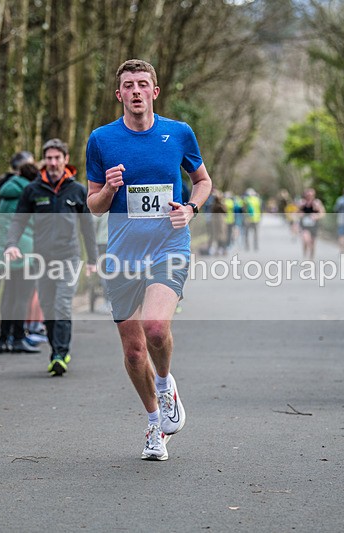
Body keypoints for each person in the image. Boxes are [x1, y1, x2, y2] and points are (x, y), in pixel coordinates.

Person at [85, 59, 212, 461]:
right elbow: (93, 206)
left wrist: (190, 209)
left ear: (154, 92)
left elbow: (204, 181)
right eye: (128, 85)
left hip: (168, 246)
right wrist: (108, 188)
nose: (136, 91)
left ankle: (164, 383)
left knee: (156, 329)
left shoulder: (178, 133)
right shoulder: (101, 140)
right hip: (122, 254)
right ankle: (155, 424)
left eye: (143, 84)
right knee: (133, 350)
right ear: (119, 94)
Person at [5, 138, 98, 375]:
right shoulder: (32, 190)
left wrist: (93, 260)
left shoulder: (77, 190)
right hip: (42, 259)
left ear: (66, 160)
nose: (53, 162)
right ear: (43, 161)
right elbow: (18, 220)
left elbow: (87, 227)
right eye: (49, 158)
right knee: (47, 307)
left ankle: (59, 353)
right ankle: (56, 348)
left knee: (62, 305)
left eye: (57, 158)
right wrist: (11, 244)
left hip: (69, 257)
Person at [0, 151, 35, 333]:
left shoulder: (3, 187)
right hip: (16, 243)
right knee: (16, 290)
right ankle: (17, 332)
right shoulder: (26, 188)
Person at [0, 162, 40, 354]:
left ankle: (3, 339)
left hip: (5, 249)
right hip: (25, 249)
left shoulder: (5, 194)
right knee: (22, 296)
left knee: (8, 295)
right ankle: (19, 337)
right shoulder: (28, 193)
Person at [298, 188, 325, 260]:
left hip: (314, 226)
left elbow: (322, 213)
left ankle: (311, 259)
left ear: (314, 195)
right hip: (304, 226)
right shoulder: (302, 203)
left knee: (312, 244)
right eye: (307, 195)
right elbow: (296, 213)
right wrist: (300, 214)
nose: (309, 196)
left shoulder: (317, 203)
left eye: (311, 195)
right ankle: (305, 256)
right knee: (306, 240)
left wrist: (316, 216)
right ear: (305, 195)